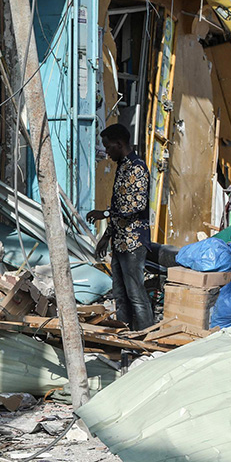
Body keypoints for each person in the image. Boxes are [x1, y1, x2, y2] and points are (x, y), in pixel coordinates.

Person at [87, 123, 152, 331]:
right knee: (120, 295)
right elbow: (119, 208)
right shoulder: (123, 166)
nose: (106, 152)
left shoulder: (137, 167)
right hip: (120, 242)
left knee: (136, 295)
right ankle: (124, 335)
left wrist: (104, 214)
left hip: (134, 243)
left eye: (108, 147)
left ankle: (145, 336)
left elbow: (137, 205)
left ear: (119, 143)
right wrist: (106, 237)